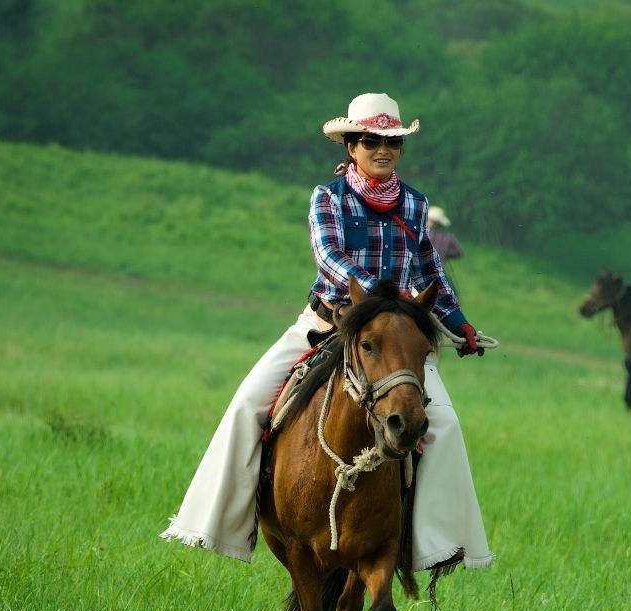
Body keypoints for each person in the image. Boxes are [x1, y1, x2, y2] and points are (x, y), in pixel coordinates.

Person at [160, 92, 494, 574]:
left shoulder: (416, 204)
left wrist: (458, 322)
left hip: (395, 336)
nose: (382, 149)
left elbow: (430, 269)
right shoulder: (328, 198)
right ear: (351, 146)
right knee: (247, 404)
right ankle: (222, 524)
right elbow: (329, 257)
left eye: (392, 142)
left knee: (444, 426)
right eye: (370, 140)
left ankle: (434, 546)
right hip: (330, 321)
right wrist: (372, 299)